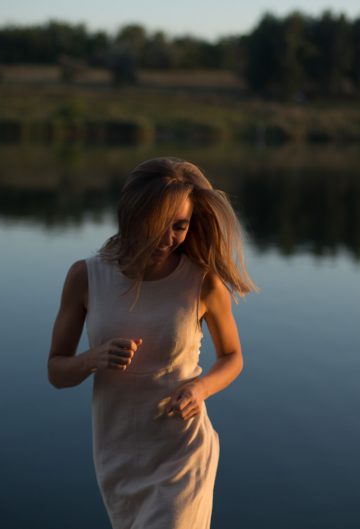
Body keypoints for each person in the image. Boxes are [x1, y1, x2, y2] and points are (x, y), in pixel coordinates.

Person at [47, 157, 257, 529]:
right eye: (158, 224)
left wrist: (200, 389)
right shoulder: (86, 277)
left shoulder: (202, 283)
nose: (168, 238)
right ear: (132, 215)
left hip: (182, 454)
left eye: (180, 226)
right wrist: (93, 358)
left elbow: (232, 357)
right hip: (117, 455)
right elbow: (56, 371)